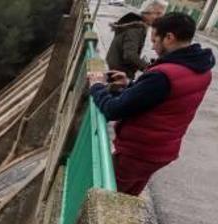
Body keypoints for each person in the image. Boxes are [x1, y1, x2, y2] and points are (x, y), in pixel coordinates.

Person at [87, 12, 214, 196]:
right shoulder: (201, 69)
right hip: (161, 151)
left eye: (155, 40)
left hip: (138, 152)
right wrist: (131, 85)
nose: (153, 47)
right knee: (128, 196)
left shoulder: (163, 75)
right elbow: (165, 99)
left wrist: (97, 85)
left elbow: (112, 109)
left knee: (107, 197)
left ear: (169, 38)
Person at [106, 1, 166, 79]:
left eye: (161, 14)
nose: (160, 17)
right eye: (157, 13)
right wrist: (148, 68)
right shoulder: (136, 29)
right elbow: (129, 55)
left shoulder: (133, 23)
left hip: (116, 68)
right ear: (146, 12)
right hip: (119, 73)